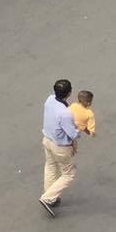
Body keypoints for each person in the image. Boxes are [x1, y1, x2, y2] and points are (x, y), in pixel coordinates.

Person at [38, 79, 80, 217]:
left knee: (50, 166)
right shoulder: (65, 113)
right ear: (69, 93)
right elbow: (73, 134)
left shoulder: (49, 99)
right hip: (60, 146)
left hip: (47, 140)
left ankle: (51, 196)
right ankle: (48, 198)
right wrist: (80, 128)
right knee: (68, 174)